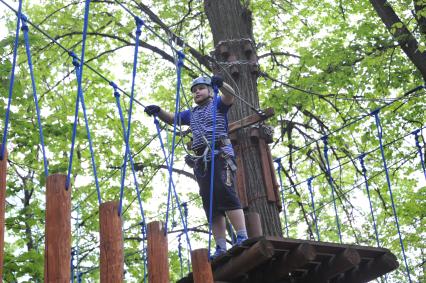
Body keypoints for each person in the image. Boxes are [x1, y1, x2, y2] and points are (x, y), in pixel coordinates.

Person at [144, 75, 248, 258]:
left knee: (225, 190)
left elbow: (230, 95)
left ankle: (242, 235)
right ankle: (221, 246)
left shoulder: (217, 104)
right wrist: (159, 111)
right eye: (193, 90)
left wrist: (221, 83)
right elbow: (174, 119)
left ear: (209, 90)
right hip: (202, 160)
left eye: (200, 88)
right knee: (210, 202)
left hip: (220, 154)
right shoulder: (191, 114)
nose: (196, 92)